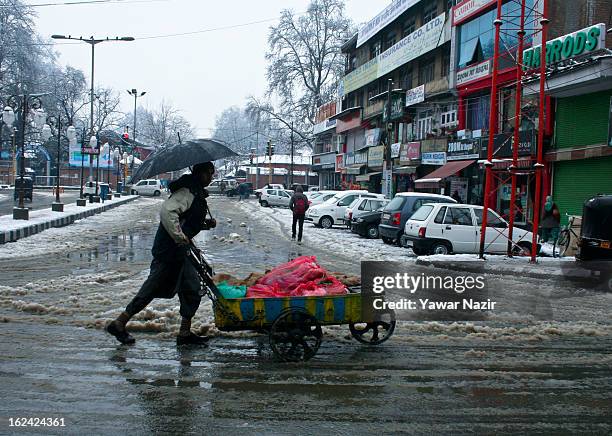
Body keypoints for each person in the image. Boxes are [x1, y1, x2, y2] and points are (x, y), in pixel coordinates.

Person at [106, 162, 217, 346]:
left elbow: (186, 219)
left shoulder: (196, 192)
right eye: (209, 173)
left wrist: (205, 224)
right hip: (169, 250)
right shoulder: (187, 191)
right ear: (200, 173)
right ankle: (119, 323)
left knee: (191, 288)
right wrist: (179, 237)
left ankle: (184, 333)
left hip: (182, 250)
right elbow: (168, 212)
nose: (211, 177)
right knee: (152, 288)